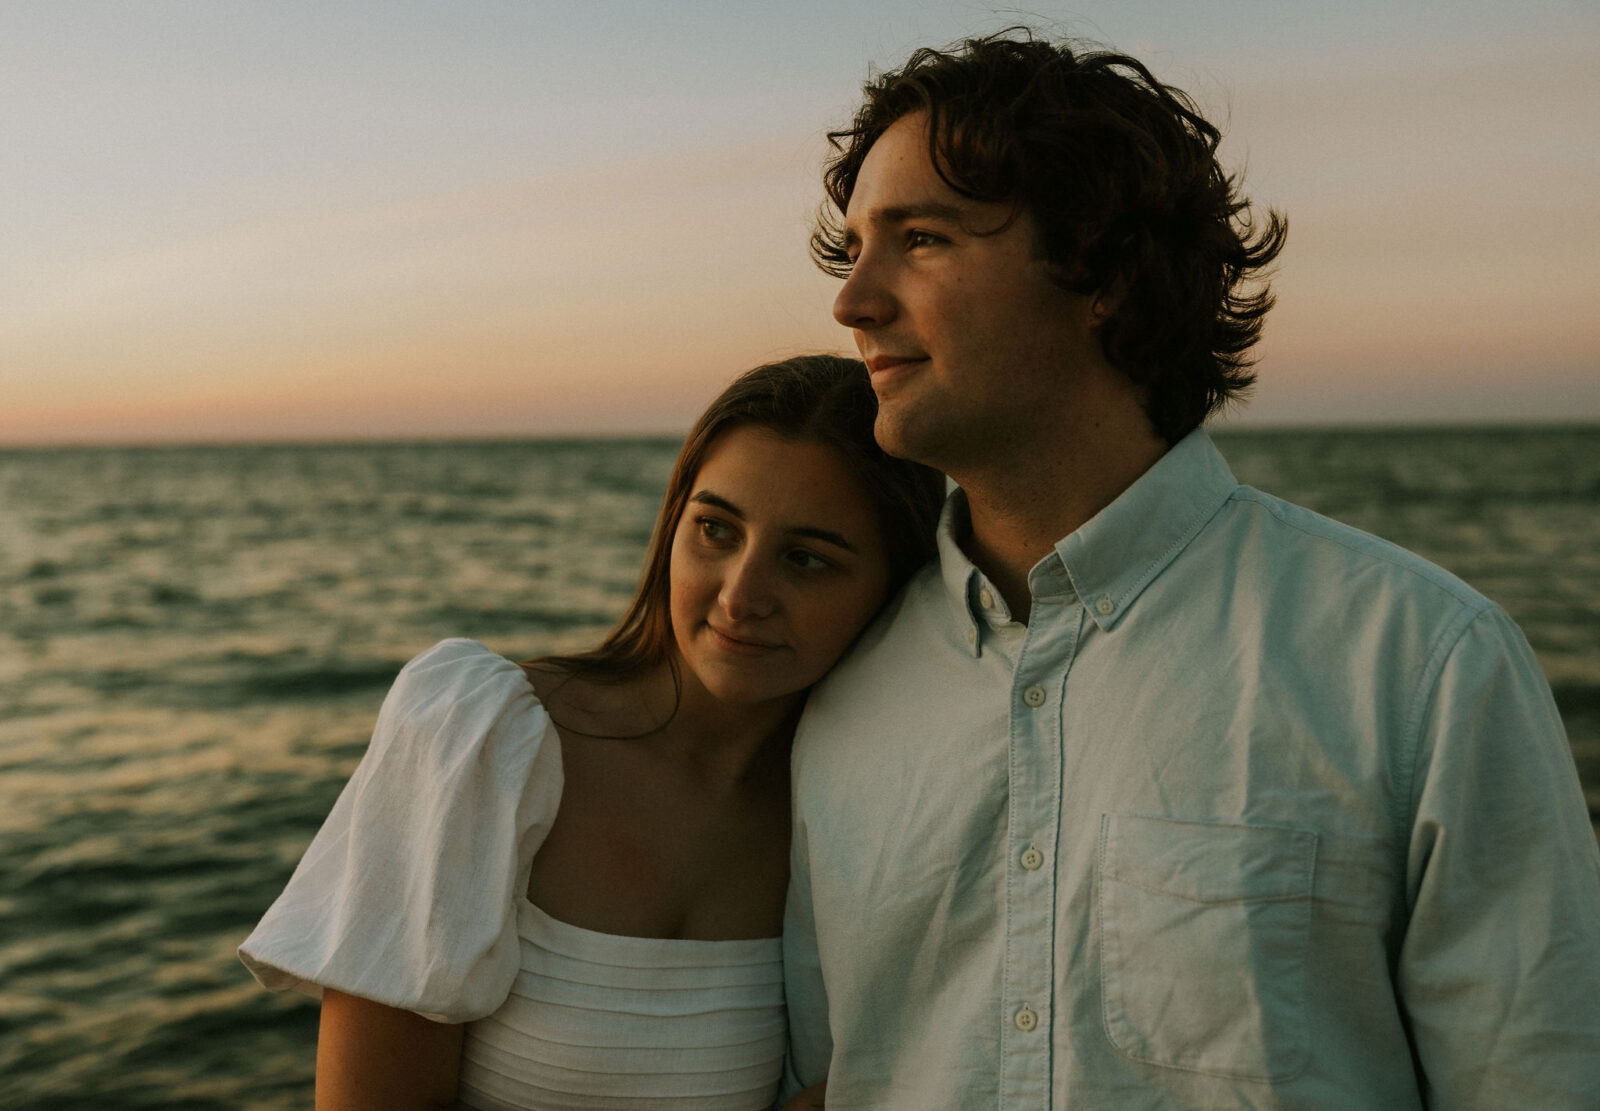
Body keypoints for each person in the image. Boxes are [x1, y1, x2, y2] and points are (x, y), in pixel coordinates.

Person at [781, 30, 1600, 1108]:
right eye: (853, 252)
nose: (852, 302)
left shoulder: (1419, 664)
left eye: (921, 238)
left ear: (1103, 275)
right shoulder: (835, 689)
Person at [239, 354, 944, 1110]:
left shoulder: (870, 813)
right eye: (714, 529)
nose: (741, 595)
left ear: (894, 584)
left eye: (806, 559)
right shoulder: (483, 740)